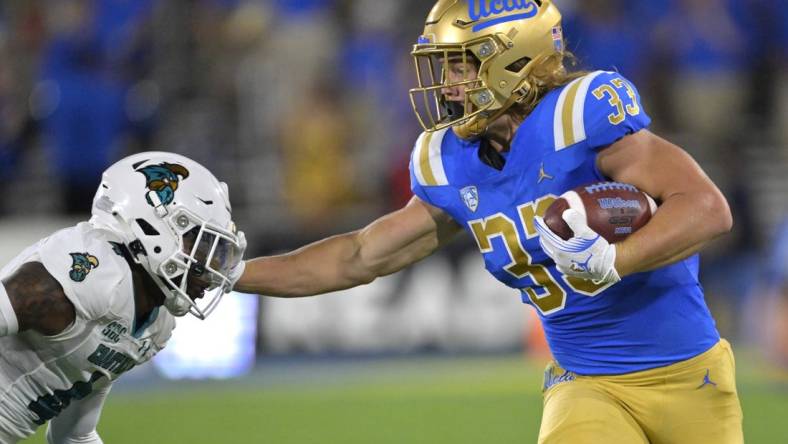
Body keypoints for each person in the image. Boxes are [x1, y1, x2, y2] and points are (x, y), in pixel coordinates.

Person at [233, 1, 742, 443]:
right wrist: (229, 271)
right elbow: (359, 255)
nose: (447, 85)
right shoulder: (449, 161)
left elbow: (706, 208)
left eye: (460, 67)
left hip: (689, 377)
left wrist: (617, 260)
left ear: (514, 59)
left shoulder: (579, 117)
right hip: (586, 385)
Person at [0, 151, 245, 443]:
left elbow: (75, 435)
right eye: (200, 245)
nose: (211, 268)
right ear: (153, 228)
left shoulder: (155, 322)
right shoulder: (89, 275)